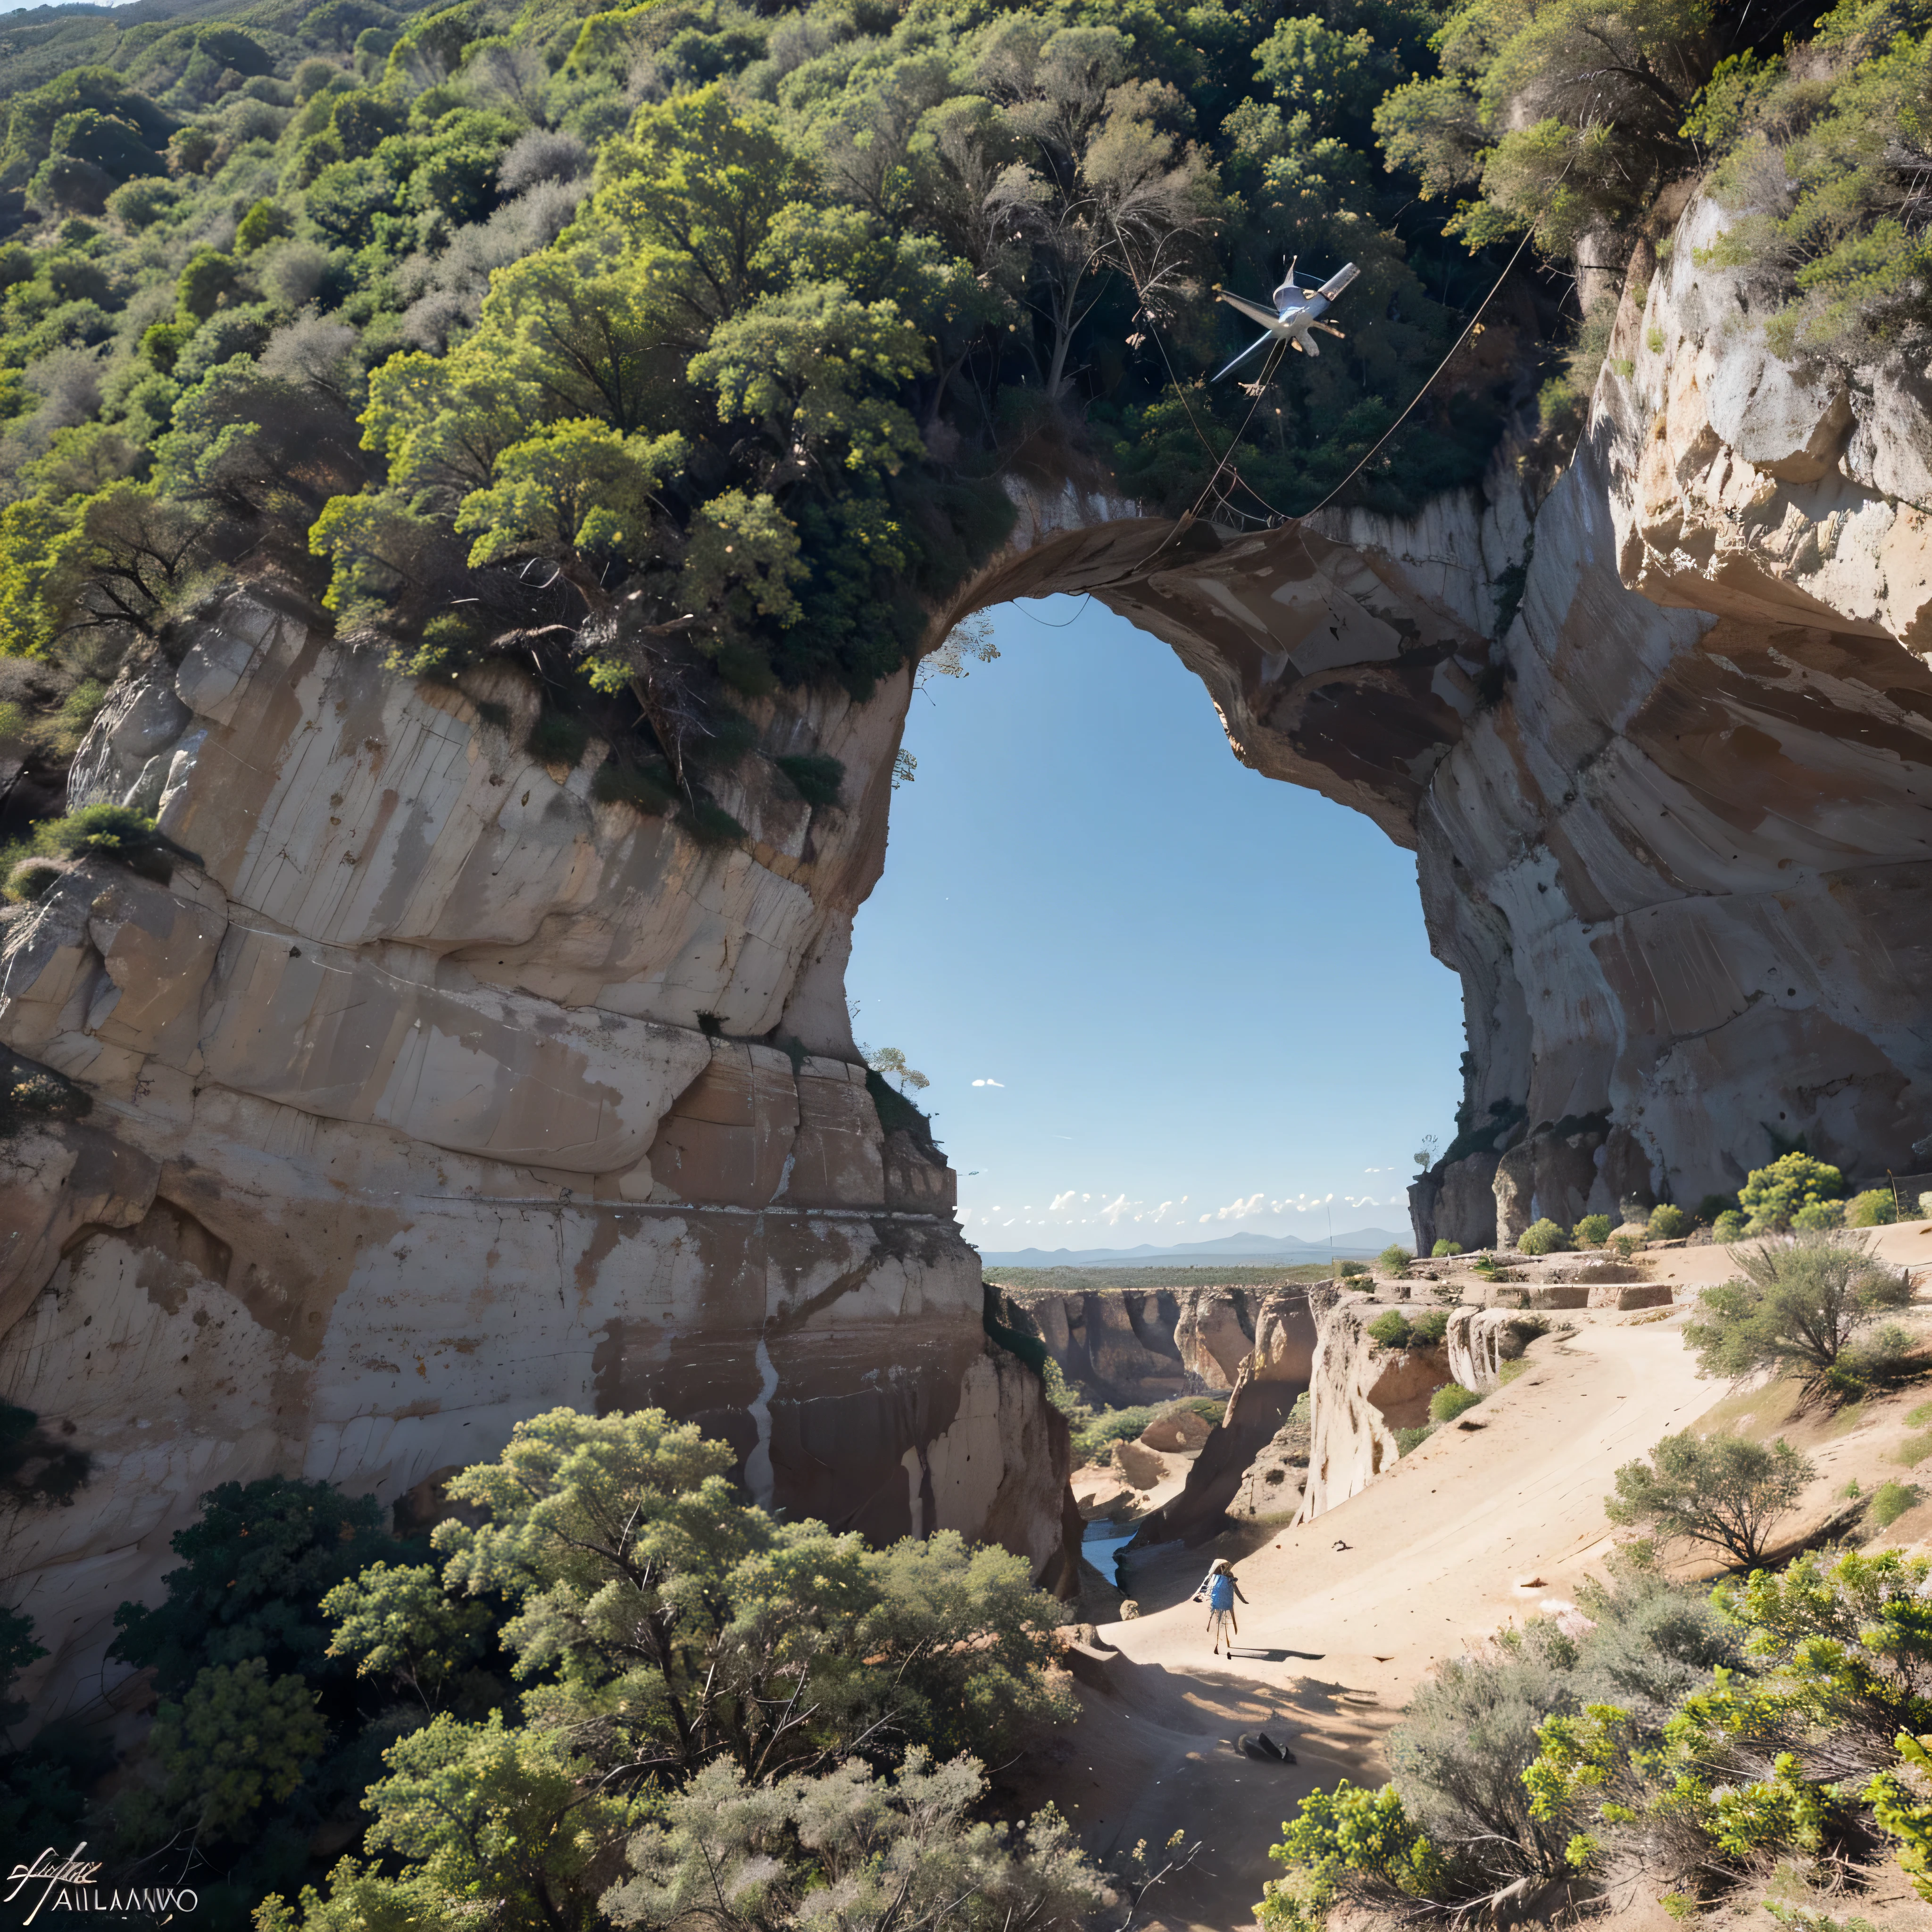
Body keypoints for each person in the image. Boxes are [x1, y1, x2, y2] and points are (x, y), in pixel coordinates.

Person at [1195, 1557, 1248, 1655]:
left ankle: (1225, 1645)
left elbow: (1235, 1588)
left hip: (1226, 1600)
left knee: (1224, 1621)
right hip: (1219, 1600)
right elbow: (1205, 1587)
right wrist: (1200, 1596)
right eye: (1223, 1566)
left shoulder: (1228, 1575)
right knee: (1219, 1621)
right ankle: (1218, 1644)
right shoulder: (1214, 1576)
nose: (1225, 1568)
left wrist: (1242, 1599)